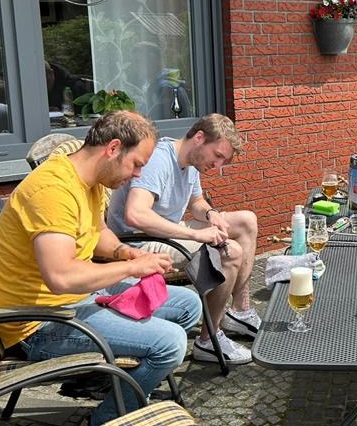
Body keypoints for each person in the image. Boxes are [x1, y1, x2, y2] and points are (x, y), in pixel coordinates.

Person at [0, 111, 202, 426]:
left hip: (78, 298)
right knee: (170, 343)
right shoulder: (52, 190)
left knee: (189, 306)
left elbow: (98, 232)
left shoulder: (91, 181)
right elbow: (61, 277)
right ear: (113, 149)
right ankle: (103, 423)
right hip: (40, 324)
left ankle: (118, 384)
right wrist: (131, 267)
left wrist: (125, 252)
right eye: (137, 164)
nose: (138, 175)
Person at [107, 114, 260, 366]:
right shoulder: (158, 159)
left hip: (165, 232)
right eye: (217, 155)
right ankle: (208, 340)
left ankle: (239, 312)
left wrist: (211, 214)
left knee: (246, 221)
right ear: (199, 138)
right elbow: (135, 214)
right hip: (136, 242)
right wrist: (197, 235)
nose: (218, 165)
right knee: (229, 251)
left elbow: (196, 202)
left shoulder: (190, 163)